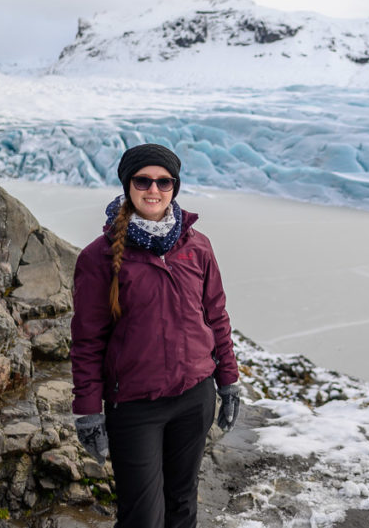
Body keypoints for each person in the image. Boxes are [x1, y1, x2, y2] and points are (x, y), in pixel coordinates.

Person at [70, 143, 241, 528]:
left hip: (195, 396)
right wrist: (87, 410)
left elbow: (216, 316)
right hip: (134, 406)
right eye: (143, 180)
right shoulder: (97, 258)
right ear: (128, 185)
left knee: (181, 504)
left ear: (175, 187)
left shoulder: (197, 246)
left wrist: (228, 381)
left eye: (164, 181)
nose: (154, 189)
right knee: (143, 517)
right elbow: (87, 341)